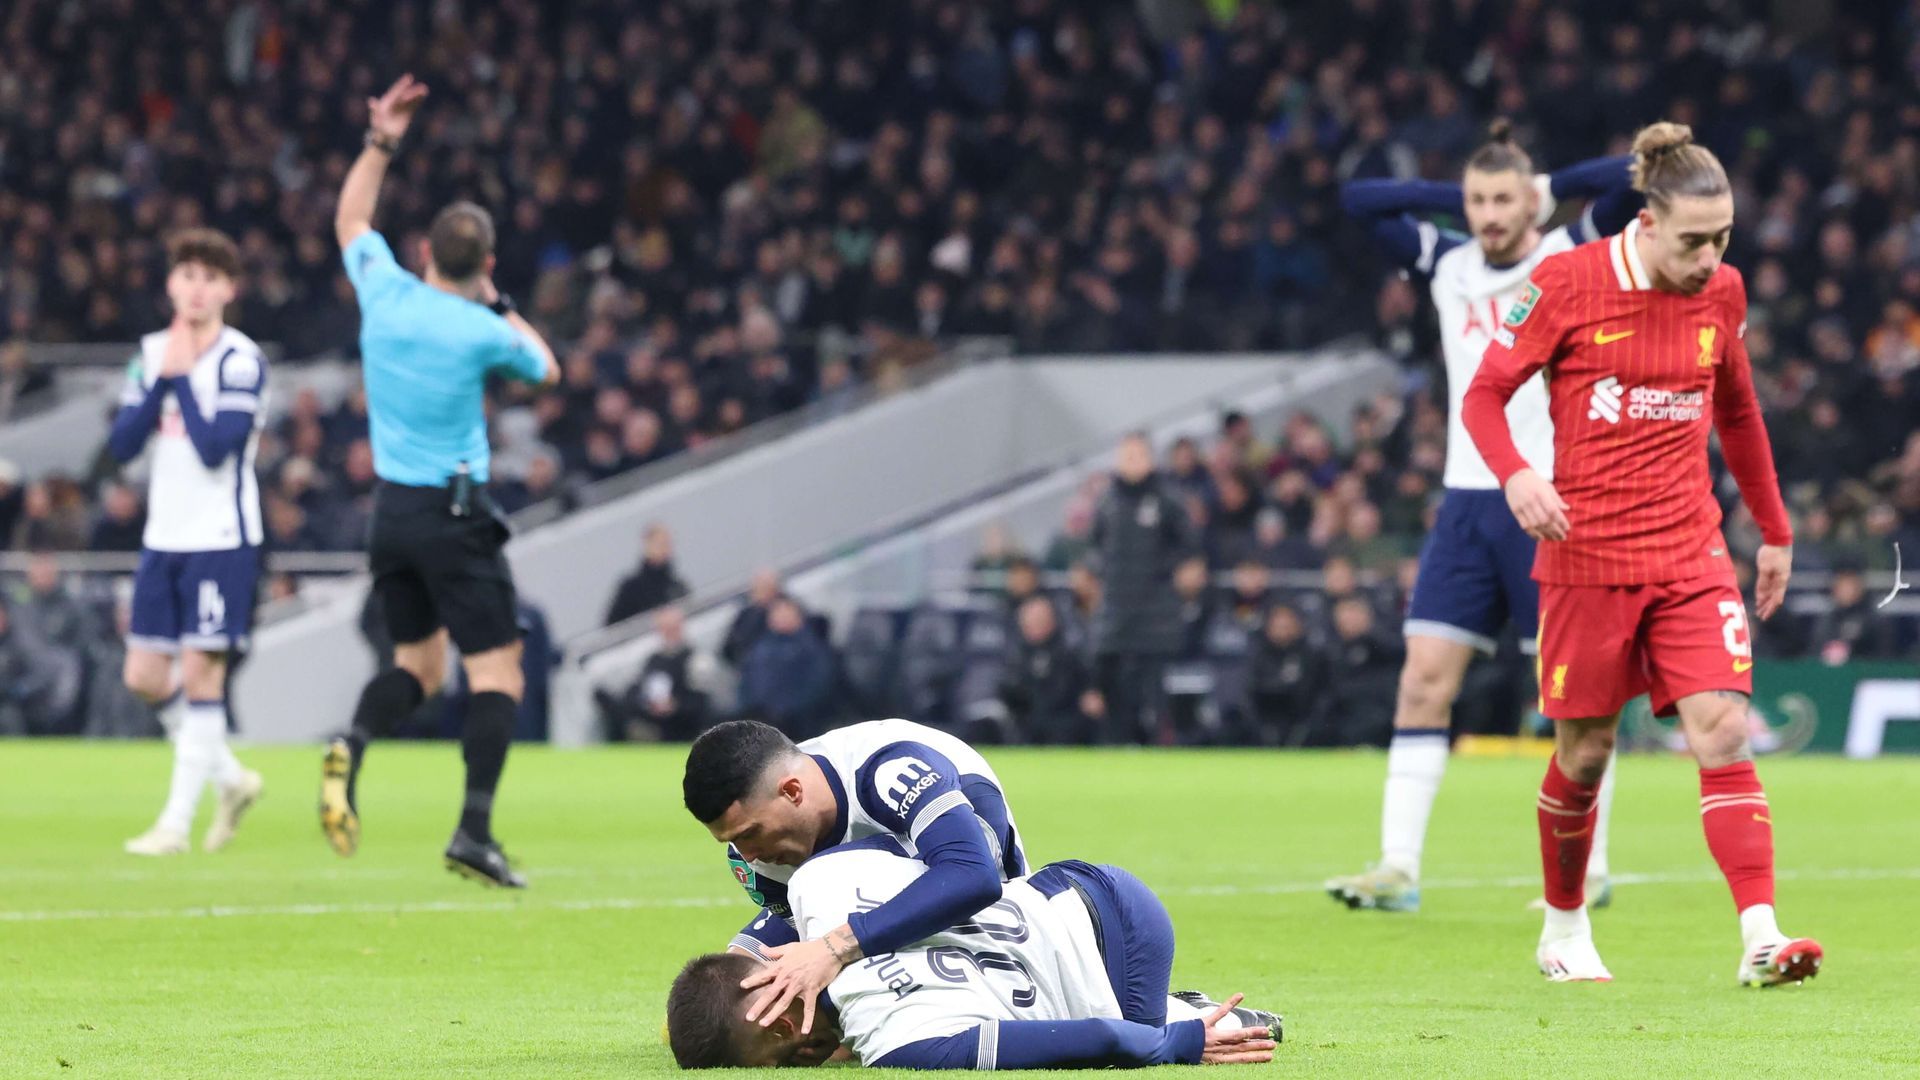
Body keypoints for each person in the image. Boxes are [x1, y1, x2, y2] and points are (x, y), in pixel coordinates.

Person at [1462, 122, 1821, 986]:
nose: (1710, 258)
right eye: (1695, 240)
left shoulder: (1722, 295)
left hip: (1690, 552)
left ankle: (1762, 937)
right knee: (1584, 753)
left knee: (1724, 728)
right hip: (1584, 559)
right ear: (1648, 223)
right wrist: (1516, 477)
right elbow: (1484, 396)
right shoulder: (1566, 283)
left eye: (1723, 238)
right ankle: (1564, 924)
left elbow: (1737, 413)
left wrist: (1774, 530)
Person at [1325, 123, 1640, 913]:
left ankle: (1590, 867)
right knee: (1423, 681)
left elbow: (1638, 177)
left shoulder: (1568, 248)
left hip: (1550, 499)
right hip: (1468, 501)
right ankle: (1398, 869)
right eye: (1480, 200)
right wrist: (1450, 198)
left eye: (1506, 198)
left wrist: (1549, 182)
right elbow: (1357, 200)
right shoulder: (1445, 261)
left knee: (1573, 696)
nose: (1492, 215)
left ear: (1531, 198)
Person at [319, 75, 560, 888]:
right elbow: (546, 368)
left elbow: (351, 217)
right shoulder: (478, 328)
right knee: (496, 673)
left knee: (417, 671)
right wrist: (500, 300)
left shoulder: (384, 292)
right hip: (455, 516)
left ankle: (352, 740)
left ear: (423, 253)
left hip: (390, 515)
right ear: (483, 262)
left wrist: (381, 140)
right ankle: (474, 831)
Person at [666, 841, 1280, 1069]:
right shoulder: (817, 883)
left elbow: (1102, 1039)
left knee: (1139, 1042)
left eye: (777, 1063)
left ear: (778, 1022)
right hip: (1077, 881)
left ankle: (1190, 1015)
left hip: (1118, 964)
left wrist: (1178, 1045)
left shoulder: (897, 1044)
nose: (804, 1063)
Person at [681, 718, 1030, 1035]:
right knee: (736, 977)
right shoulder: (756, 859)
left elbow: (972, 876)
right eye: (732, 840)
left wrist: (835, 948)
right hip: (879, 910)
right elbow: (806, 943)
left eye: (750, 833)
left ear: (792, 791)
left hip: (987, 904)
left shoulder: (889, 770)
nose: (749, 854)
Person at [105, 228, 266, 856]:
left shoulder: (240, 359)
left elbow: (214, 449)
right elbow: (120, 446)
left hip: (220, 538)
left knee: (202, 673)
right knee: (145, 674)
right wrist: (161, 380)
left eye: (211, 278)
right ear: (171, 283)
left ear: (229, 289)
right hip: (162, 534)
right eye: (187, 275)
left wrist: (176, 382)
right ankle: (230, 778)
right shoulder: (149, 353)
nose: (197, 289)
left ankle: (174, 824)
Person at [1087, 433, 1201, 743]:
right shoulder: (1107, 501)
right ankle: (1116, 744)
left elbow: (1190, 545)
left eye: (1138, 455)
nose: (1131, 462)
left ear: (1150, 459)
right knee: (1109, 680)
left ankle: (1158, 744)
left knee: (1154, 691)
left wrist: (1183, 571)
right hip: (1115, 610)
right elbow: (1094, 548)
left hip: (1156, 612)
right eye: (1126, 455)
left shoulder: (1168, 499)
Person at [605, 523, 691, 626]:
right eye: (660, 544)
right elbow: (612, 626)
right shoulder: (630, 588)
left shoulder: (678, 587)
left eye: (668, 544)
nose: (665, 549)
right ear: (647, 545)